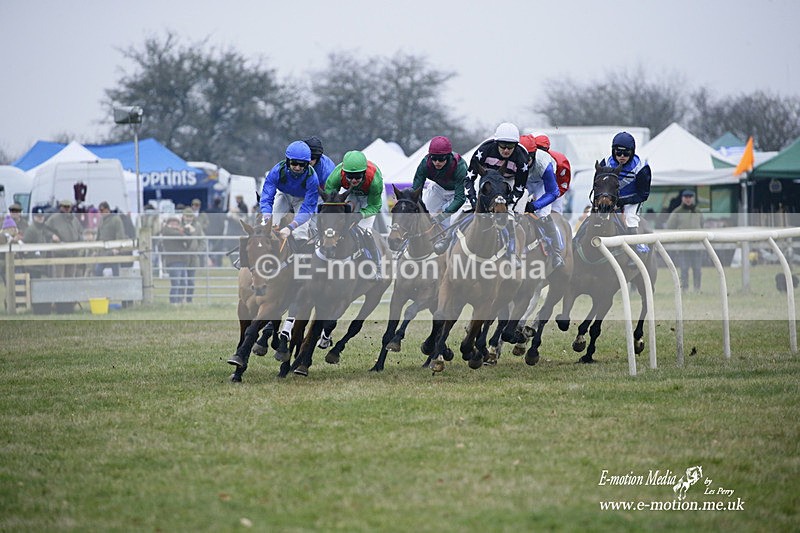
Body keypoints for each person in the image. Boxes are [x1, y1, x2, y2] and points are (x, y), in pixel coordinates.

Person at [600, 131, 652, 255]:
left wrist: (622, 202)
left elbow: (643, 194)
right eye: (618, 152)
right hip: (610, 198)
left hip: (632, 199)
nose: (622, 156)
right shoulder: (605, 163)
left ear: (632, 152)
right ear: (613, 151)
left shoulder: (641, 168)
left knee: (630, 218)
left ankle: (635, 250)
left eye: (626, 153)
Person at [259, 140, 320, 243]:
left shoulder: (312, 178)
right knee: (268, 226)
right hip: (284, 195)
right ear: (288, 161)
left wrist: (290, 227)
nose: (297, 167)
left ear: (307, 164)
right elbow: (266, 199)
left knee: (300, 233)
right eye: (294, 163)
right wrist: (266, 217)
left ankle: (302, 258)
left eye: (302, 165)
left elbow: (308, 208)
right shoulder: (276, 172)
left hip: (302, 200)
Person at [518, 134, 564, 269]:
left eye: (526, 159)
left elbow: (553, 192)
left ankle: (556, 253)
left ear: (533, 155)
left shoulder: (544, 164)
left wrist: (534, 205)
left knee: (542, 215)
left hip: (541, 182)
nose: (522, 162)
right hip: (524, 181)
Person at [466, 122, 530, 209]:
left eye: (511, 146)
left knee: (514, 210)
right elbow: (469, 178)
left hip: (509, 182)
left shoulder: (521, 158)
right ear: (496, 143)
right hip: (487, 180)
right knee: (466, 207)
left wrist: (507, 201)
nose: (506, 150)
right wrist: (473, 199)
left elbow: (519, 187)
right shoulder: (484, 150)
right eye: (503, 145)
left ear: (516, 145)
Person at [410, 136, 467, 225]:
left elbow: (460, 198)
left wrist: (442, 216)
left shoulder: (459, 166)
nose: (437, 162)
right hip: (438, 188)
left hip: (457, 192)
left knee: (452, 222)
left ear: (448, 157)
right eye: (434, 158)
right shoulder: (425, 164)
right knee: (427, 215)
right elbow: (416, 190)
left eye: (441, 159)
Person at [324, 150, 383, 231]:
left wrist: (361, 215)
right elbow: (329, 200)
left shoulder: (375, 181)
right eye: (350, 176)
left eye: (358, 176)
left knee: (364, 230)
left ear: (364, 173)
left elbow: (374, 206)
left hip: (369, 198)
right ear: (344, 173)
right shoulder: (336, 176)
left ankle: (367, 240)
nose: (354, 180)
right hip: (350, 193)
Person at [665, 189, 704, 292]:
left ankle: (697, 289)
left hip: (697, 246)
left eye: (690, 197)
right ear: (682, 198)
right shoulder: (677, 212)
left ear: (693, 198)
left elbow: (702, 225)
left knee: (697, 269)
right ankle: (685, 289)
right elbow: (669, 227)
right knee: (684, 269)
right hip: (683, 246)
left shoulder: (698, 211)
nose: (688, 199)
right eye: (686, 197)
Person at [533, 135, 572, 215]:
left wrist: (548, 199)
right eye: (537, 150)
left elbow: (562, 186)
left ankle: (553, 227)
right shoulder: (525, 157)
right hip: (536, 184)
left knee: (553, 213)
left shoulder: (560, 162)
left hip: (555, 188)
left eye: (543, 150)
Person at [45, 199, 83, 279]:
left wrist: (79, 244)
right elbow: (45, 229)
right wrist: (52, 235)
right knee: (59, 277)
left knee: (71, 277)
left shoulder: (74, 220)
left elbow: (80, 232)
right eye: (64, 207)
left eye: (68, 207)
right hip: (60, 253)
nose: (66, 209)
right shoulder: (54, 219)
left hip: (73, 253)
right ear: (61, 207)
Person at [160, 214, 190, 304]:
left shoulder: (178, 232)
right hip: (173, 260)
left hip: (182, 260)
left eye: (176, 223)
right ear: (168, 224)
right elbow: (180, 236)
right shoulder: (166, 231)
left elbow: (188, 239)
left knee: (183, 283)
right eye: (172, 223)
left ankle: (181, 301)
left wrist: (183, 232)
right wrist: (182, 231)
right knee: (176, 283)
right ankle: (173, 302)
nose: (174, 225)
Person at [93, 201, 127, 277]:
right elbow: (98, 236)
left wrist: (117, 248)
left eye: (102, 210)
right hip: (102, 251)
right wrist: (95, 250)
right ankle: (101, 286)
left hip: (113, 251)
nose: (100, 212)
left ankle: (116, 287)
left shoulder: (116, 220)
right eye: (99, 211)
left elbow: (120, 234)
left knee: (115, 272)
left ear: (107, 209)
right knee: (98, 270)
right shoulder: (101, 220)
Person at [181, 207, 205, 303]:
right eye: (187, 216)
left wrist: (197, 251)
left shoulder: (197, 226)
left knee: (191, 280)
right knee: (182, 280)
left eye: (190, 216)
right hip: (181, 257)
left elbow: (203, 240)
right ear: (183, 216)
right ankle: (180, 299)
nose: (188, 218)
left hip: (193, 258)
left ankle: (189, 300)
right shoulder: (179, 225)